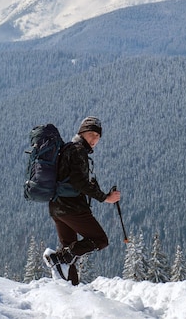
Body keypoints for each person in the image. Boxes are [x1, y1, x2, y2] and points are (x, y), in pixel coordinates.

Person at [43, 116, 121, 285]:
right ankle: (57, 258)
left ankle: (71, 287)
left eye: (98, 136)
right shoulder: (78, 150)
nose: (95, 139)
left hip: (56, 206)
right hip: (72, 207)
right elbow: (80, 182)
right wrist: (105, 197)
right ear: (82, 132)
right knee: (100, 240)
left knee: (70, 249)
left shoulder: (67, 148)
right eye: (92, 134)